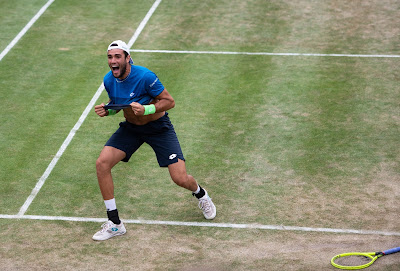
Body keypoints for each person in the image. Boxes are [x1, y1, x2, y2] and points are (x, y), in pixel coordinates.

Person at [92, 40, 216, 241]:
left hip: (158, 129)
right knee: (102, 164)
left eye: (117, 56)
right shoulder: (109, 80)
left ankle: (201, 195)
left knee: (180, 178)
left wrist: (147, 109)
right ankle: (115, 223)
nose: (113, 61)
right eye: (109, 57)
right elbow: (119, 105)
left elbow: (169, 101)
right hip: (131, 129)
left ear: (127, 58)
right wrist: (108, 110)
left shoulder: (145, 76)